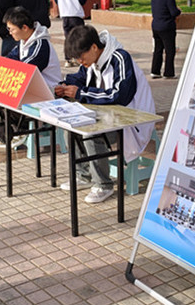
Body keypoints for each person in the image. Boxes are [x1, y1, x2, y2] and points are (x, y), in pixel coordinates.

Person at [55, 24, 156, 204]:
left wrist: (80, 93)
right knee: (70, 126)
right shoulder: (92, 62)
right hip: (110, 115)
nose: (80, 61)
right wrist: (63, 86)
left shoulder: (120, 58)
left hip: (133, 119)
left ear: (94, 47)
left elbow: (120, 95)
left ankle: (103, 184)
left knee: (90, 133)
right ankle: (84, 174)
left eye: (81, 56)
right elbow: (80, 77)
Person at [0, 6, 62, 148]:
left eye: (11, 29)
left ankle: (20, 132)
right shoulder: (23, 42)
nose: (10, 33)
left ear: (25, 28)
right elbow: (10, 59)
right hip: (32, 89)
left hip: (47, 93)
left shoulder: (40, 45)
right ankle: (8, 135)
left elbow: (24, 71)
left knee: (2, 97)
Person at [54, 0, 87, 67]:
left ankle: (68, 59)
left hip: (65, 15)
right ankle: (79, 58)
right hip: (76, 14)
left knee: (68, 37)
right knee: (79, 37)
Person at [150, 0, 181, 79]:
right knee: (169, 50)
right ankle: (168, 73)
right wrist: (178, 10)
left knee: (158, 49)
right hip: (167, 27)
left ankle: (155, 71)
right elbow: (173, 12)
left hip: (156, 26)